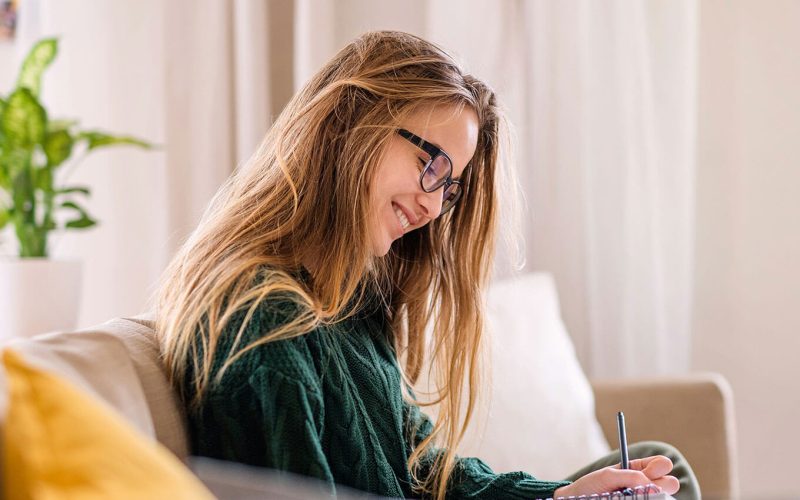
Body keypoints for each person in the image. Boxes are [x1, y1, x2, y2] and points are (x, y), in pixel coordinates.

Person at [153, 31, 700, 499]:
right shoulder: (263, 320)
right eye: (428, 164)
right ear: (349, 124)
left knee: (653, 464)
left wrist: (556, 495)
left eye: (451, 186)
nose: (435, 206)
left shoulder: (348, 302)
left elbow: (420, 471)